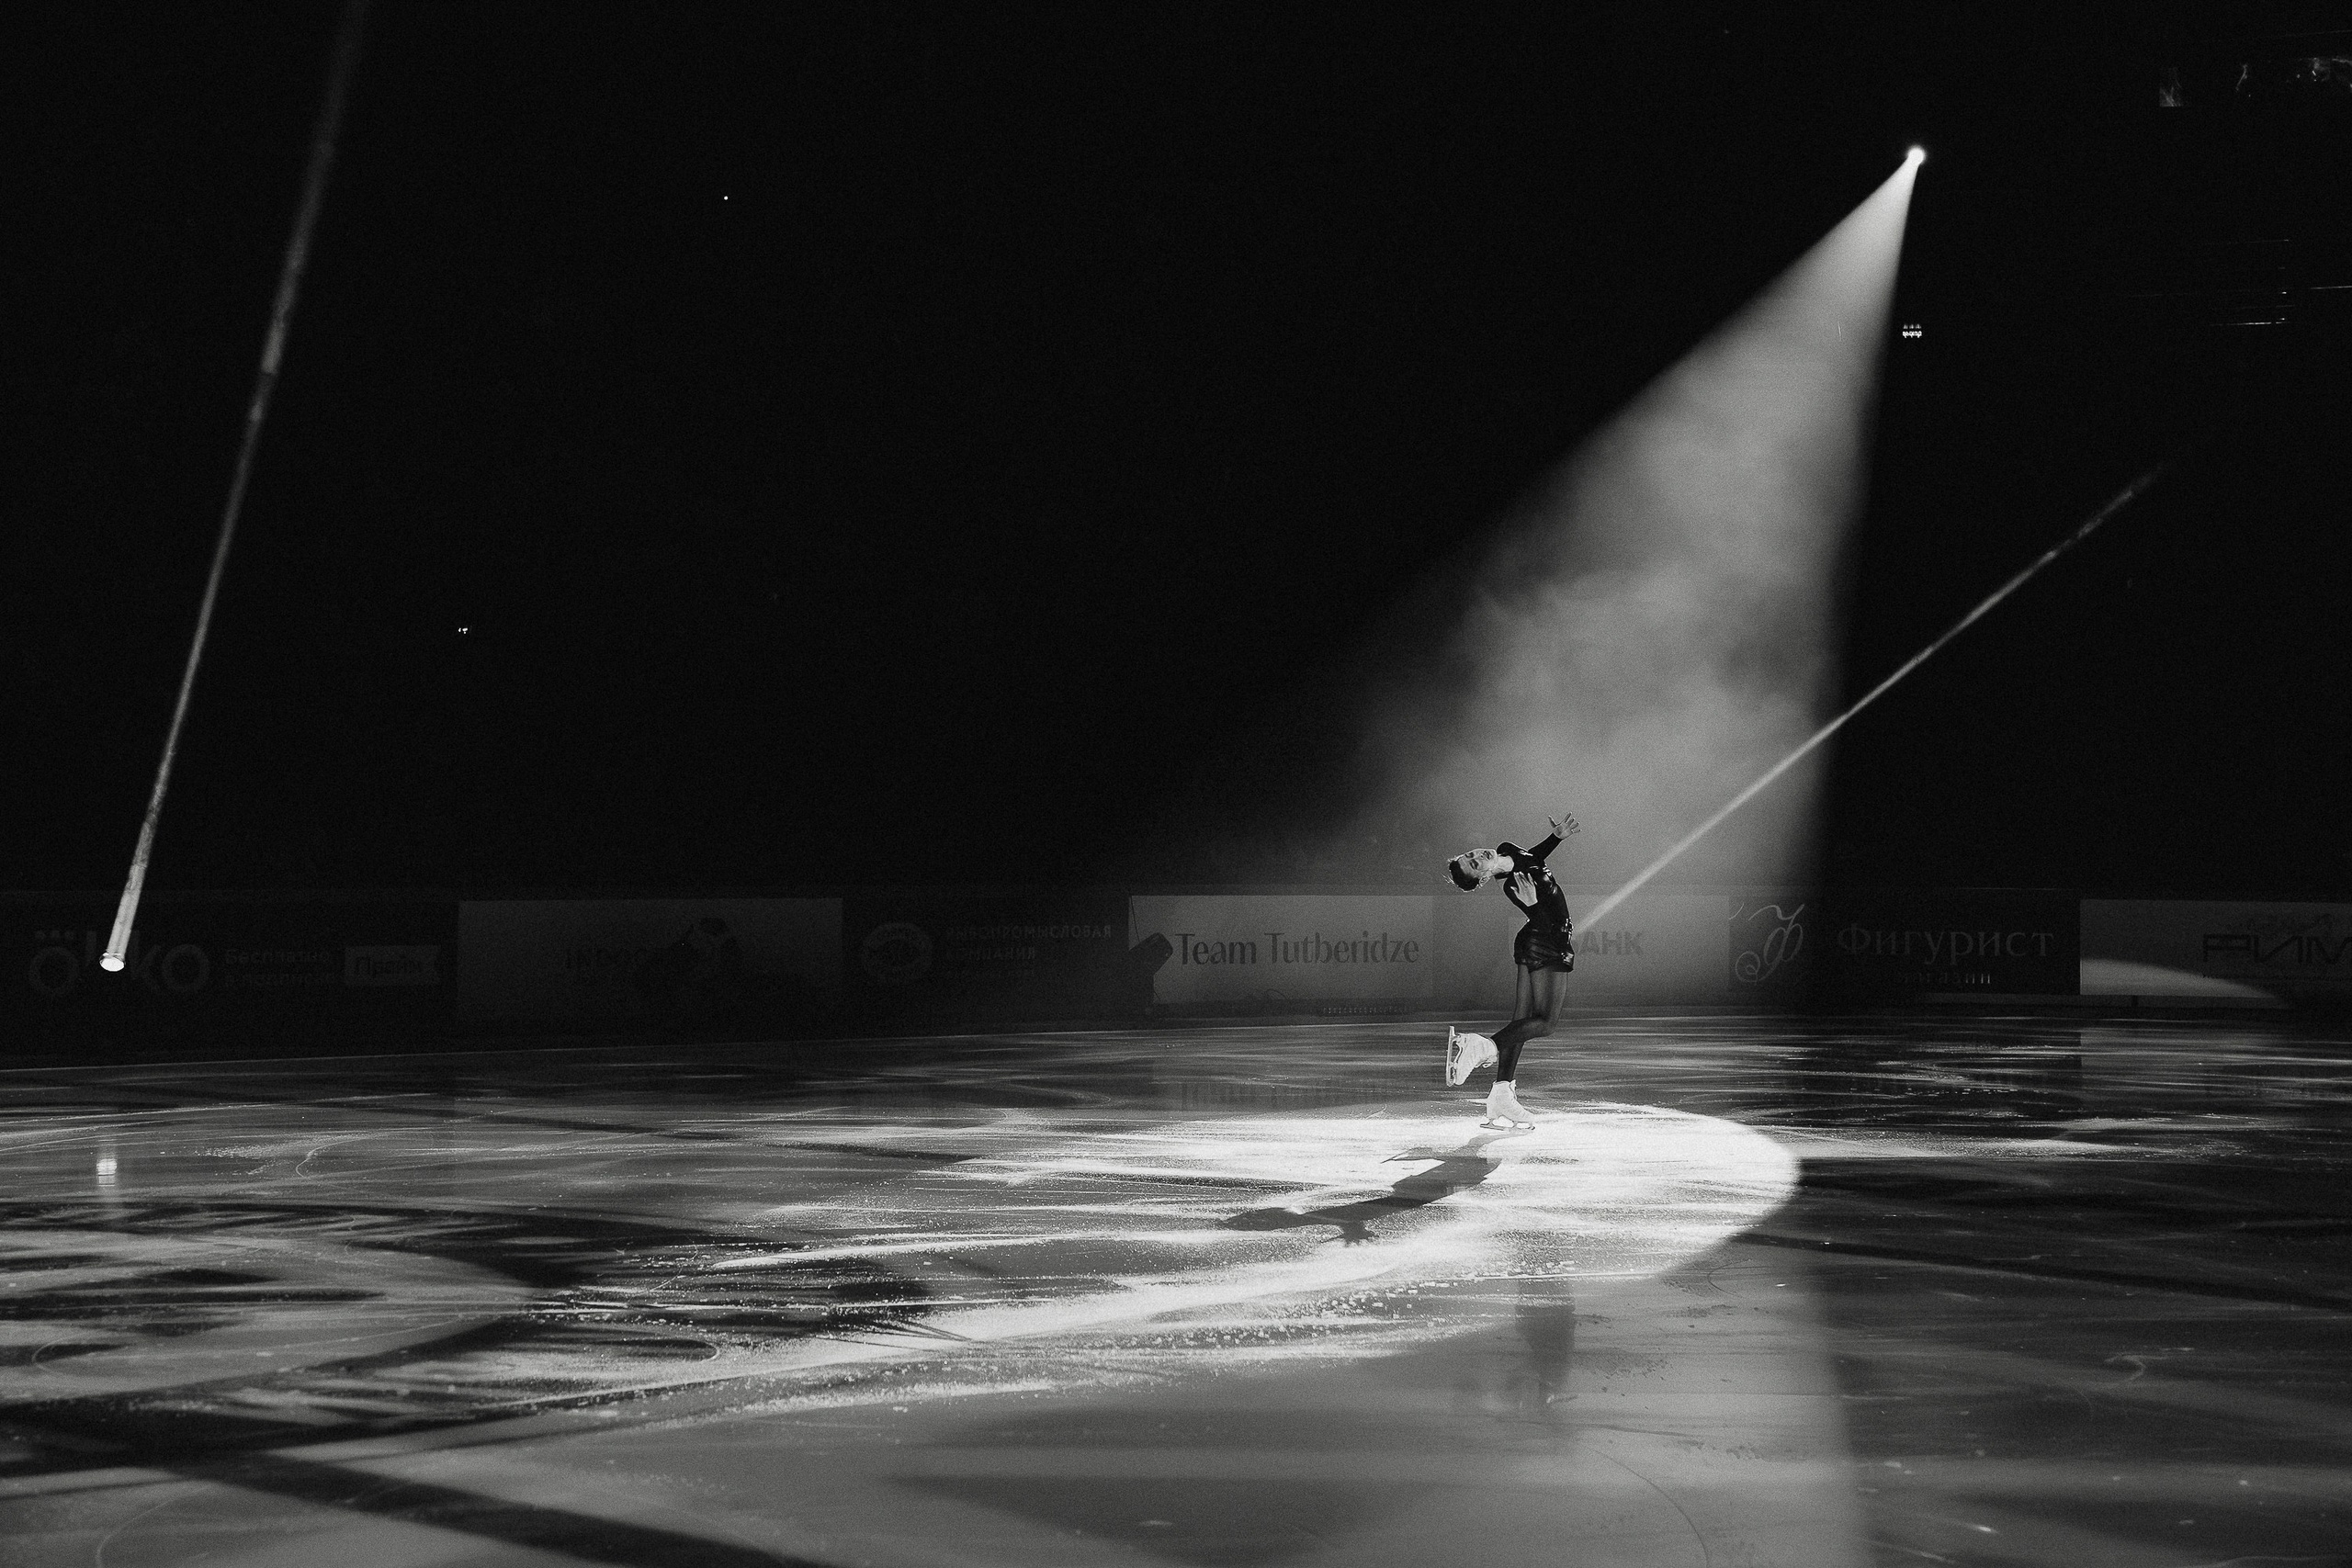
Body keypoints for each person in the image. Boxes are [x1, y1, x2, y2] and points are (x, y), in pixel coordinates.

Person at [1443, 813, 1578, 1128]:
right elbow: (1545, 925)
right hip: (1546, 943)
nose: (1478, 856)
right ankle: (1479, 1047)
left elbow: (1533, 857)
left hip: (1533, 943)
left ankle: (1501, 1093)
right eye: (1475, 864)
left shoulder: (1510, 850)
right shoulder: (1514, 886)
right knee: (1545, 1023)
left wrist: (1556, 837)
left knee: (1521, 1021)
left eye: (1471, 855)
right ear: (1483, 878)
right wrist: (1531, 905)